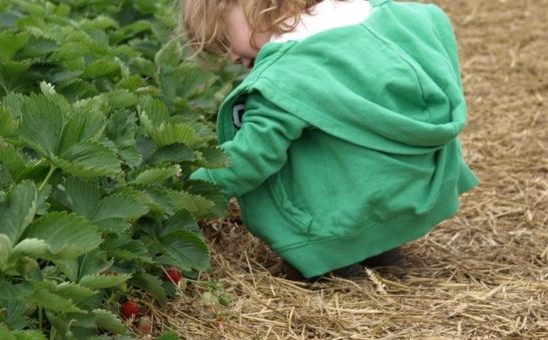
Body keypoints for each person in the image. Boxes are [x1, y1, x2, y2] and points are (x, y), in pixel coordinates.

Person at [181, 0, 479, 280]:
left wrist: (189, 193)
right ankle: (381, 249)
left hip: (343, 223)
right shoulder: (380, 16)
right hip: (415, 193)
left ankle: (333, 255)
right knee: (337, 130)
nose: (231, 56)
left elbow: (251, 157)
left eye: (223, 38)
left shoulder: (285, 74)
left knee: (290, 142)